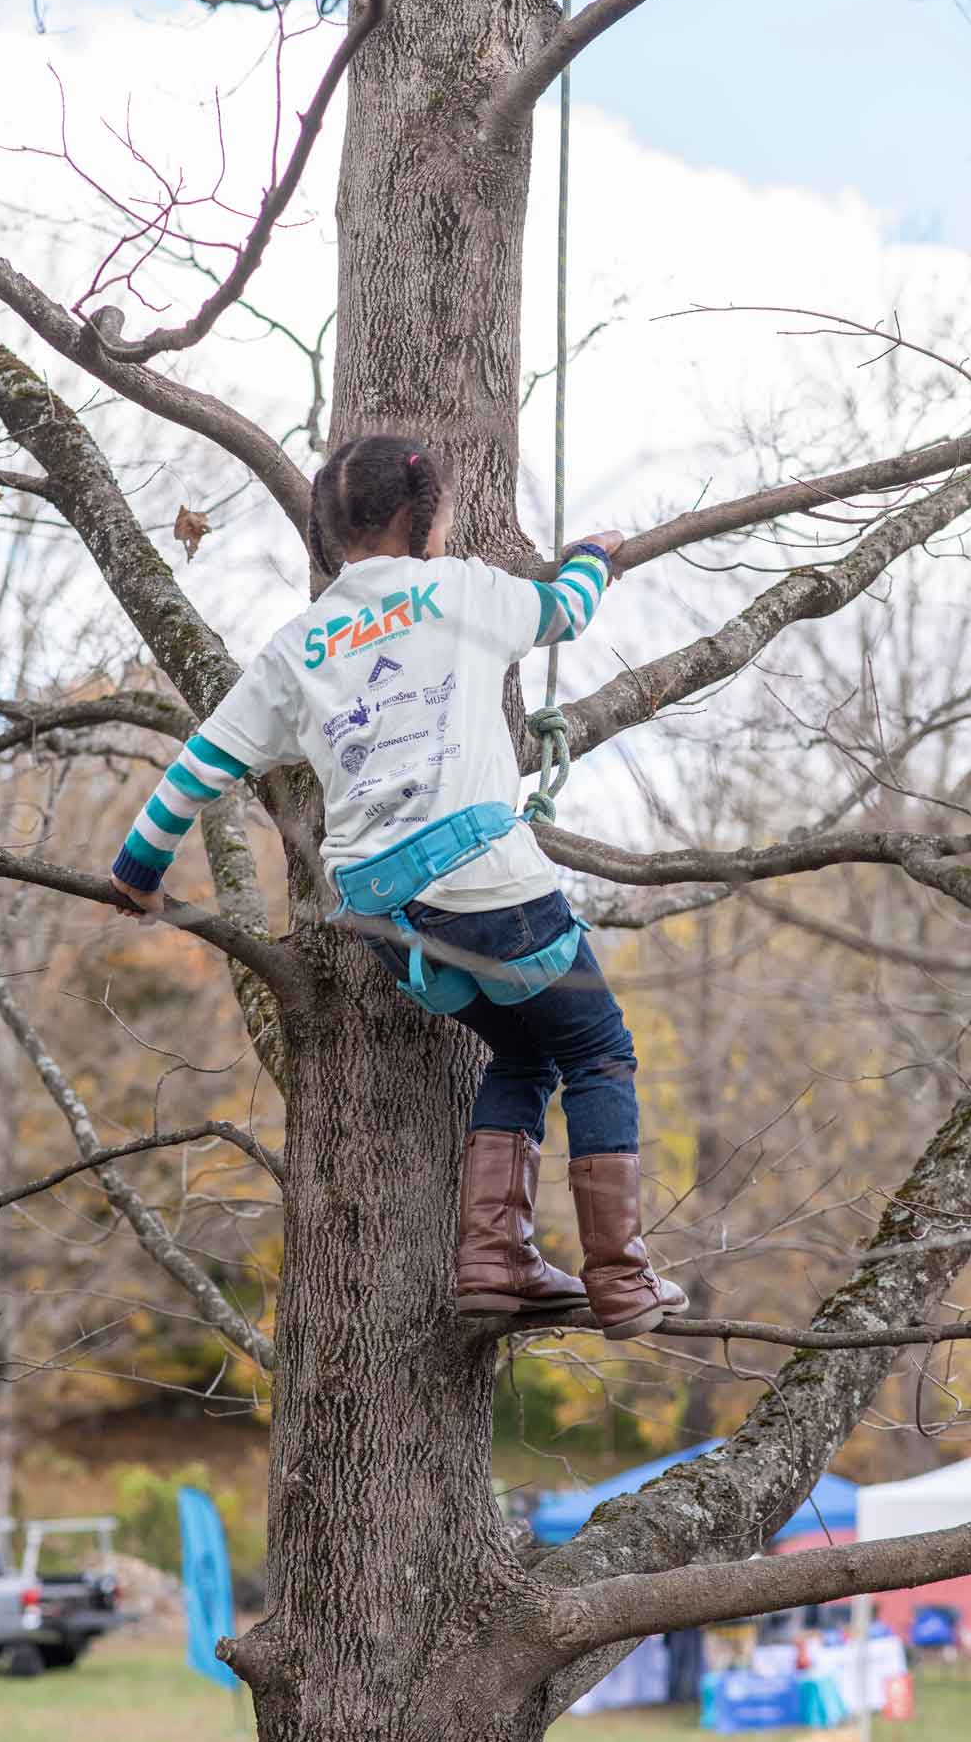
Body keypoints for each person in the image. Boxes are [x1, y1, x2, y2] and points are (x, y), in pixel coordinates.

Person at [109, 434, 687, 1339]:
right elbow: (566, 611)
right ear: (427, 519)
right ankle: (621, 1277)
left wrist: (136, 868)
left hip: (383, 911)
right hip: (487, 880)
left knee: (525, 1055)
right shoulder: (462, 590)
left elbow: (199, 766)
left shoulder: (298, 644)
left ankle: (496, 1262)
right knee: (600, 1050)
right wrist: (594, 557)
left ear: (333, 531)